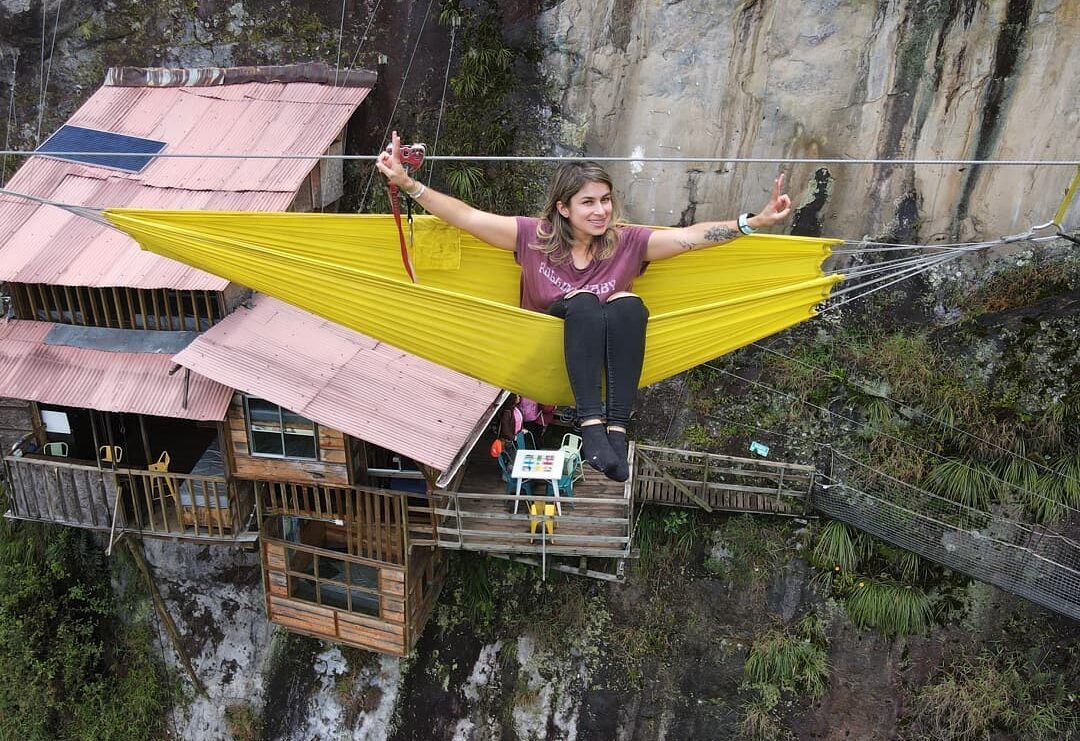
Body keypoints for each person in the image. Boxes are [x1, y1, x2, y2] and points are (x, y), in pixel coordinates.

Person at [376, 132, 792, 482]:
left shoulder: (627, 242)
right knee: (587, 302)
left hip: (599, 353)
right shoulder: (532, 237)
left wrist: (752, 222)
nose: (601, 211)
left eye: (605, 200)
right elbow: (467, 217)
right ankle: (592, 430)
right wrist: (408, 184)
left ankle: (616, 428)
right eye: (588, 202)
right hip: (541, 346)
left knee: (629, 305)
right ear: (563, 208)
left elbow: (690, 237)